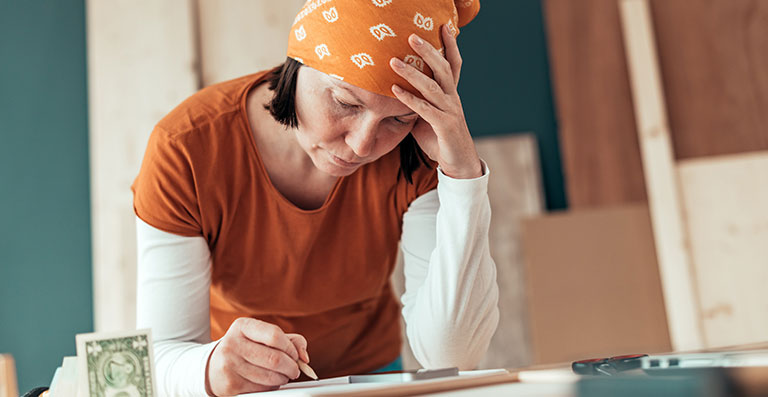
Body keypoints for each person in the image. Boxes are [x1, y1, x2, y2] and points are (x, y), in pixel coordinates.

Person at [132, 0, 499, 395]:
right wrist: (210, 367)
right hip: (244, 384)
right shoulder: (186, 150)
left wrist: (462, 177)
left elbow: (452, 357)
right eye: (345, 102)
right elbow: (160, 357)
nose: (362, 145)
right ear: (299, 62)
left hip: (371, 376)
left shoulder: (415, 154)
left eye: (397, 118)